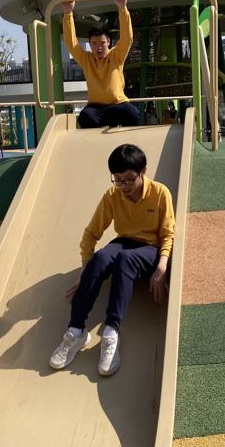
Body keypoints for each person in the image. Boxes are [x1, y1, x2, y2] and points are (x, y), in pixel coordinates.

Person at [50, 143, 174, 376]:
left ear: (143, 172)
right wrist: (85, 271)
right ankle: (76, 331)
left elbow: (168, 234)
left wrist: (162, 266)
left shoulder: (160, 193)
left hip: (150, 248)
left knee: (126, 259)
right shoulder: (112, 195)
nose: (123, 186)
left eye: (129, 180)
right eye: (118, 180)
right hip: (124, 241)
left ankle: (110, 333)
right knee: (99, 258)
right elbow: (91, 234)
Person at [62, 0, 139, 129]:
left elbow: (127, 39)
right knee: (85, 116)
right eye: (94, 43)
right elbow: (71, 43)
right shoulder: (86, 59)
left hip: (117, 105)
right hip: (96, 108)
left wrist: (122, 8)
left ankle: (127, 139)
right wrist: (68, 13)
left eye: (102, 43)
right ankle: (97, 139)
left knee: (132, 113)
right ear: (90, 44)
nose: (98, 47)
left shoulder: (116, 55)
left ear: (108, 42)